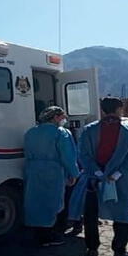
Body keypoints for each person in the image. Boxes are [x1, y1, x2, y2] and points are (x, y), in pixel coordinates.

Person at [70, 97, 128, 256]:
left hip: (94, 179)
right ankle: (119, 253)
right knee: (122, 214)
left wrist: (96, 172)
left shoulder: (89, 129)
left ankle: (92, 250)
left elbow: (83, 155)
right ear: (120, 109)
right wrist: (116, 174)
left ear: (102, 110)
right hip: (121, 180)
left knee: (91, 214)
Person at [24, 106, 79, 247]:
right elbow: (68, 156)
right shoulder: (61, 133)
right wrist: (74, 174)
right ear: (55, 117)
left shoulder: (31, 132)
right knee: (53, 203)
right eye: (62, 116)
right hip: (53, 172)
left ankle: (38, 234)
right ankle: (50, 236)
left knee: (35, 201)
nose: (64, 119)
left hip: (33, 171)